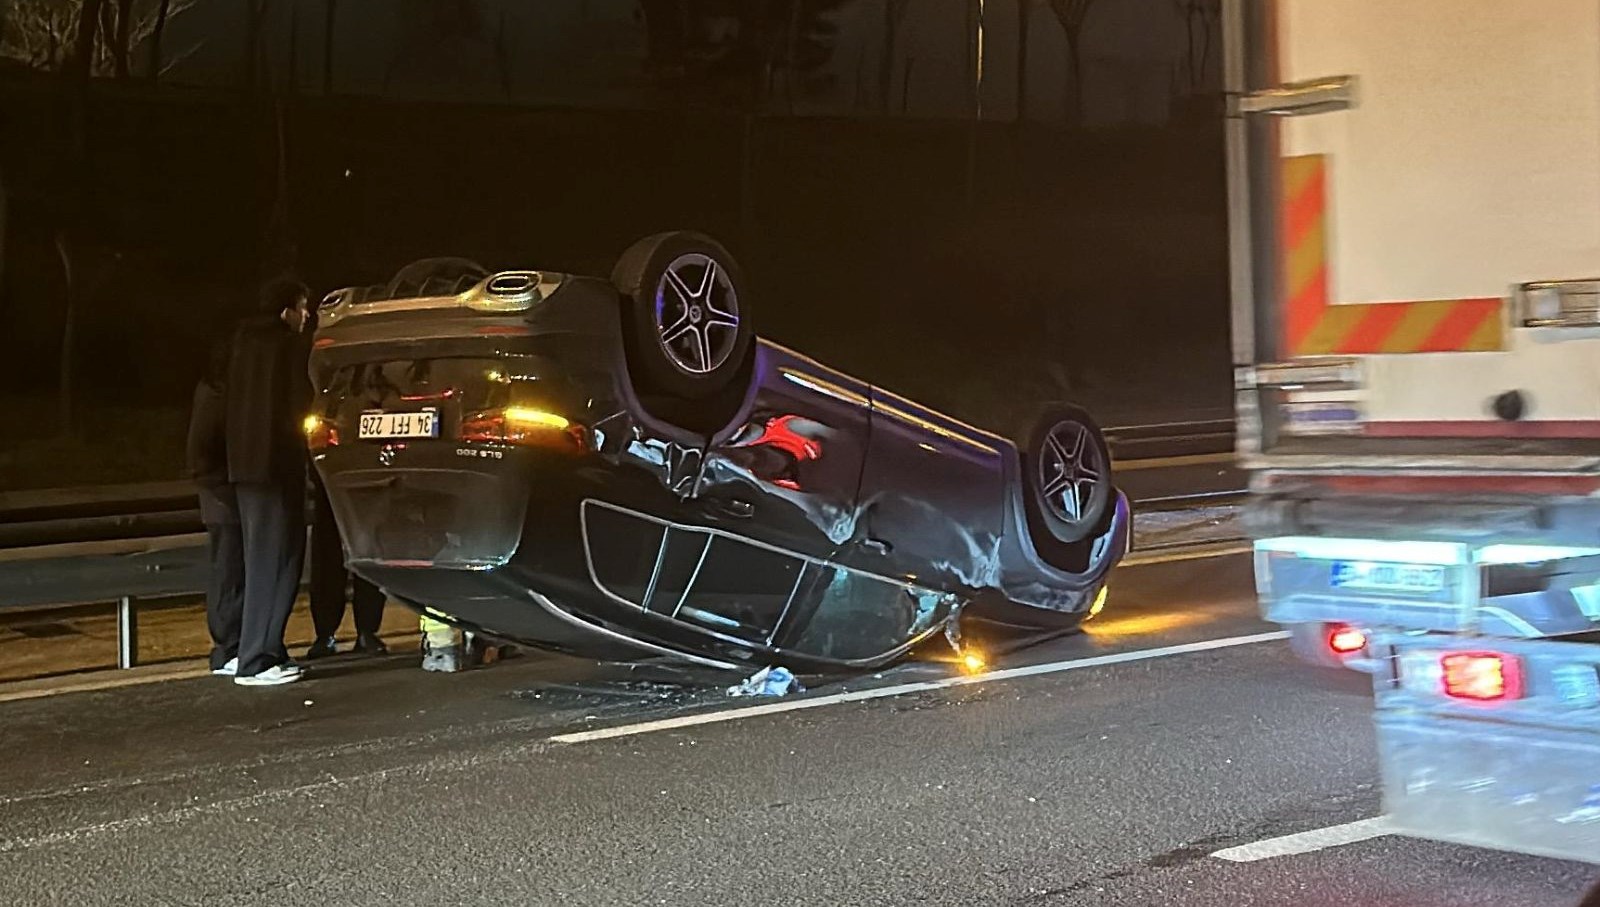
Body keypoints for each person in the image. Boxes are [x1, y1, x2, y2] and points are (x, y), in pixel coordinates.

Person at [226, 277, 313, 687]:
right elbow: (300, 405)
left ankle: (258, 648)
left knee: (257, 560)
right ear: (286, 312)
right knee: (280, 561)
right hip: (277, 468)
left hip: (243, 469)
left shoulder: (242, 346)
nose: (307, 315)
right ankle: (257, 659)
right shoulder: (288, 347)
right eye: (302, 307)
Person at [186, 337, 245, 677]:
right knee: (228, 572)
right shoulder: (216, 395)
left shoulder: (215, 393)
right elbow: (200, 452)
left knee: (231, 571)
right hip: (224, 498)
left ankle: (230, 644)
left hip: (224, 496)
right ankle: (227, 646)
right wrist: (222, 486)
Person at [304, 467, 388, 659]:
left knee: (366, 549)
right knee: (330, 555)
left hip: (364, 471)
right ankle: (327, 633)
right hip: (336, 469)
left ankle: (364, 631)